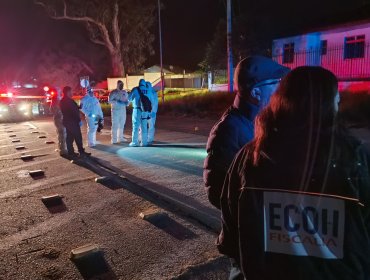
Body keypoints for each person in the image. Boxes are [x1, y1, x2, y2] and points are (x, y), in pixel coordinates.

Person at [218, 66, 370, 280]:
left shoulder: (251, 158)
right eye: (336, 101)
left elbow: (230, 231)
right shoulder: (357, 160)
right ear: (328, 106)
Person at [204, 56, 290, 210]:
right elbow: (218, 193)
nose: (280, 89)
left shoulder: (267, 121)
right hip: (247, 230)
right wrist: (259, 210)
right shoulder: (228, 130)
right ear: (256, 92)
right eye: (276, 83)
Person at [59, 86, 90, 157]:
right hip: (73, 122)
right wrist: (79, 120)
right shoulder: (69, 101)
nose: (72, 93)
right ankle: (81, 152)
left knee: (70, 137)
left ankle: (71, 152)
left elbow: (73, 109)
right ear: (67, 92)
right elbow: (73, 112)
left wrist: (79, 106)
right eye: (71, 91)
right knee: (78, 137)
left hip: (67, 122)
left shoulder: (63, 100)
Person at [128, 79, 152, 147]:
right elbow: (150, 101)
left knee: (135, 126)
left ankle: (135, 142)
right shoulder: (148, 90)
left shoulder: (135, 89)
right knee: (144, 126)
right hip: (145, 111)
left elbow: (129, 99)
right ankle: (144, 142)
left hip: (137, 110)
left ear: (139, 83)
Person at [80, 82, 104, 147]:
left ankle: (93, 140)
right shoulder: (84, 99)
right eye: (90, 90)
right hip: (90, 116)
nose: (92, 92)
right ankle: (90, 143)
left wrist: (101, 116)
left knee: (95, 128)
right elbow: (81, 108)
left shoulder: (95, 98)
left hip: (96, 116)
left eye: (92, 90)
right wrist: (88, 114)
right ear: (87, 91)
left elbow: (99, 108)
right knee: (92, 128)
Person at [50, 87, 67, 156]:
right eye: (59, 91)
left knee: (61, 134)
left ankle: (62, 148)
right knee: (62, 134)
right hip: (59, 119)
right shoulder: (56, 100)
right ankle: (63, 150)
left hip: (58, 119)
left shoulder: (55, 100)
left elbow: (52, 110)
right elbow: (55, 110)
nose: (60, 92)